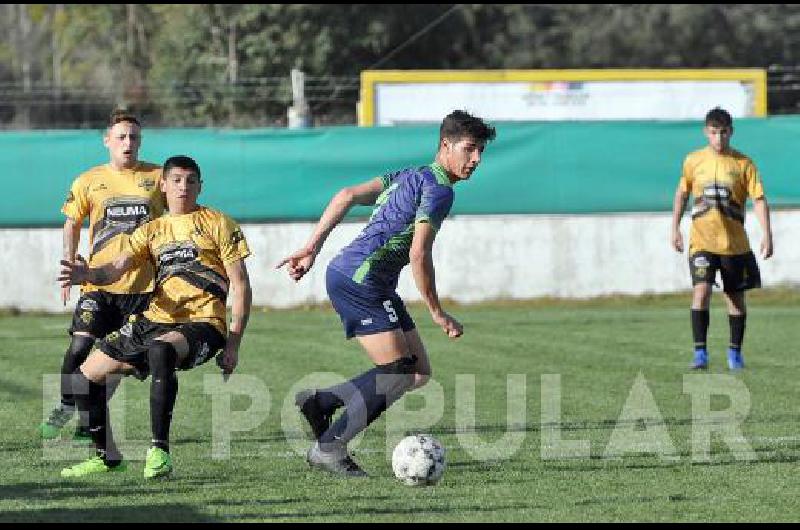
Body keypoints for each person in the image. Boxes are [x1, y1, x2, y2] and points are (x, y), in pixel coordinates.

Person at [277, 110, 496, 477]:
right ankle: (330, 447)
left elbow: (346, 194)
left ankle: (322, 402)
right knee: (396, 372)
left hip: (363, 279)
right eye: (470, 150)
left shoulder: (409, 175)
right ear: (446, 145)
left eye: (481, 152)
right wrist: (437, 312)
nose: (476, 160)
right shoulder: (438, 190)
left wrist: (312, 247)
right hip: (359, 281)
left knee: (417, 372)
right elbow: (418, 254)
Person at [57, 155, 252, 478]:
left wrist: (233, 343)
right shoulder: (152, 230)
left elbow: (242, 286)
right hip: (156, 319)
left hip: (202, 323)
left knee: (161, 350)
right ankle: (107, 457)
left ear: (200, 186)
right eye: (176, 180)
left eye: (191, 181)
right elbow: (117, 267)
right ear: (163, 185)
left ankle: (159, 451)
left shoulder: (219, 223)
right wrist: (86, 273)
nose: (183, 187)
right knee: (82, 380)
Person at [40, 109, 165, 441]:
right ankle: (67, 404)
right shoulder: (88, 180)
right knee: (80, 345)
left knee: (117, 360)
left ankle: (88, 422)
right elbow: (72, 223)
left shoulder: (158, 177)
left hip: (142, 288)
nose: (128, 143)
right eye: (121, 136)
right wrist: (70, 268)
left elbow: (178, 214)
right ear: (107, 141)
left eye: (134, 137)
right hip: (98, 282)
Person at [671, 107, 774, 371]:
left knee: (735, 299)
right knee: (701, 291)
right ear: (706, 132)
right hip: (701, 242)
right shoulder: (693, 161)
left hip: (734, 246)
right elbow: (682, 194)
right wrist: (675, 228)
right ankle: (700, 354)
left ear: (731, 132)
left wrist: (767, 234)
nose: (719, 138)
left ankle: (735, 353)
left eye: (724, 132)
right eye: (714, 132)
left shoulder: (743, 164)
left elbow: (759, 200)